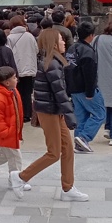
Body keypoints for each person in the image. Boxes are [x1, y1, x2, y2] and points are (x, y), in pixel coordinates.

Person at [8, 28, 88, 202]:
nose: (64, 42)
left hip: (55, 110)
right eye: (60, 40)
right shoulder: (51, 63)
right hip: (49, 111)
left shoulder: (56, 61)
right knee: (54, 152)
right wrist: (70, 116)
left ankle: (68, 188)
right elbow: (59, 93)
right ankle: (21, 176)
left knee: (67, 150)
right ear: (53, 42)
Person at [70, 21, 107, 153]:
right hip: (85, 89)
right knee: (100, 114)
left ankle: (78, 142)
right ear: (91, 35)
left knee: (81, 117)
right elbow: (90, 74)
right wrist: (90, 92)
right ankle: (84, 138)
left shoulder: (71, 49)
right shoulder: (88, 51)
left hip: (73, 88)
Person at [6, 14, 38, 123]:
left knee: (17, 92)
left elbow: (8, 53)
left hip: (16, 69)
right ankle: (27, 114)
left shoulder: (9, 38)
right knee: (27, 93)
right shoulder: (30, 36)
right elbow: (36, 50)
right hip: (29, 67)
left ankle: (19, 113)